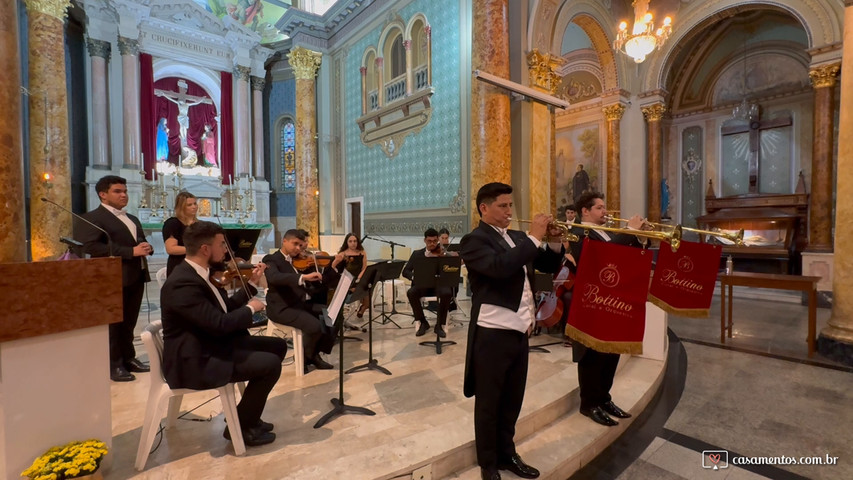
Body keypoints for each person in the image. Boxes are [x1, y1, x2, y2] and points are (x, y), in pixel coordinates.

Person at [460, 182, 564, 480]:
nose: (509, 211)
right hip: (492, 332)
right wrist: (533, 236)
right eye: (502, 206)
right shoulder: (473, 241)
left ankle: (508, 454)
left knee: (512, 398)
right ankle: (488, 464)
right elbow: (499, 267)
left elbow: (546, 262)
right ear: (484, 208)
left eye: (510, 205)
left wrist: (554, 243)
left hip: (520, 329)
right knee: (489, 402)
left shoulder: (517, 236)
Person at [160, 221, 286, 447]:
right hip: (195, 360)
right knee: (270, 364)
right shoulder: (182, 283)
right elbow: (219, 324)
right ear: (205, 249)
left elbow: (223, 307)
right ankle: (241, 426)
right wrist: (251, 309)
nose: (226, 250)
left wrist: (252, 285)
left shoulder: (199, 274)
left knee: (278, 347)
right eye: (221, 244)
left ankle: (248, 416)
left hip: (210, 345)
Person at [566, 191, 643, 427]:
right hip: (591, 301)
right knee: (592, 355)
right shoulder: (578, 232)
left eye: (604, 207)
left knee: (611, 351)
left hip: (610, 300)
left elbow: (623, 258)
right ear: (585, 212)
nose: (605, 211)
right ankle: (588, 403)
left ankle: (604, 398)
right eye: (599, 208)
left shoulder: (606, 231)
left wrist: (637, 239)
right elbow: (600, 257)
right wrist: (629, 232)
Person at [79, 175, 153, 382]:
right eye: (117, 191)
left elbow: (140, 242)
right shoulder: (93, 218)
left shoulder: (132, 218)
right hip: (111, 278)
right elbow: (91, 247)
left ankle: (129, 357)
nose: (123, 195)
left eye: (125, 191)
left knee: (129, 322)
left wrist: (147, 247)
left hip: (135, 275)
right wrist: (130, 251)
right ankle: (114, 364)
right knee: (114, 323)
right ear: (103, 194)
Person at [264, 229, 346, 373]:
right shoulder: (271, 259)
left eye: (301, 245)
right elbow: (274, 277)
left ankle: (314, 354)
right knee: (315, 326)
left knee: (334, 315)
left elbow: (320, 281)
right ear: (284, 241)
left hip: (300, 304)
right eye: (295, 244)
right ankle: (305, 356)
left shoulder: (299, 260)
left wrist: (330, 268)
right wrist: (302, 278)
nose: (298, 249)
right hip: (282, 308)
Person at [402, 228, 454, 338]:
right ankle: (423, 322)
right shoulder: (417, 254)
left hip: (438, 285)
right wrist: (413, 277)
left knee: (447, 293)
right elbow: (405, 271)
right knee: (411, 292)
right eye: (430, 241)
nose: (432, 244)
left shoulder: (442, 253)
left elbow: (450, 268)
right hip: (423, 285)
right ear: (424, 240)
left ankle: (439, 325)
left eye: (435, 241)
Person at [163, 191, 198, 276]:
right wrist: (196, 250)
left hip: (196, 265)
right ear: (181, 207)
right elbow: (171, 249)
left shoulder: (199, 224)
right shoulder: (173, 223)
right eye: (189, 205)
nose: (194, 207)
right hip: (179, 266)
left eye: (195, 203)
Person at [337, 233, 369, 320]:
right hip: (347, 280)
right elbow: (339, 271)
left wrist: (359, 279)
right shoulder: (342, 254)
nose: (353, 243)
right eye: (350, 241)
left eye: (355, 241)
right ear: (346, 242)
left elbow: (364, 268)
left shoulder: (362, 253)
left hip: (359, 279)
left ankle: (362, 308)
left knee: (368, 288)